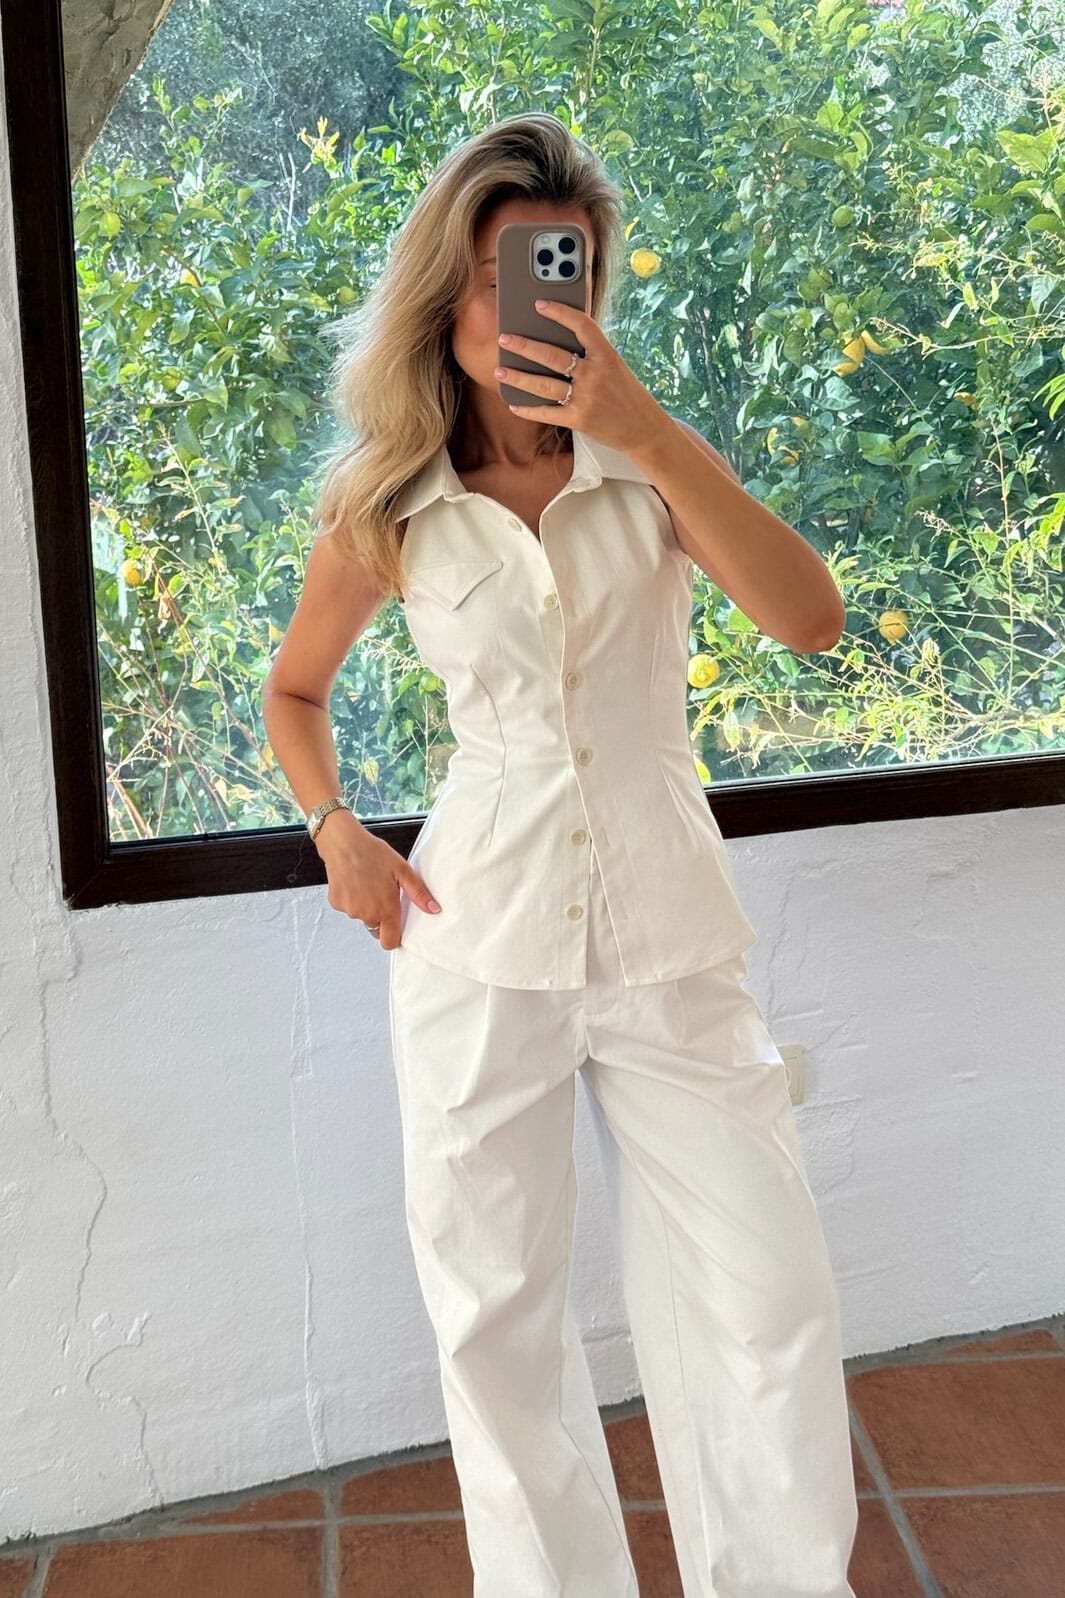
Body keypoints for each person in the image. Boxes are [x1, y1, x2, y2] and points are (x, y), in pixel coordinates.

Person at [264, 113, 859, 1598]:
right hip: (477, 935)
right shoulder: (387, 500)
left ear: (591, 287)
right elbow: (293, 693)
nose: (521, 305)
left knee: (765, 1292)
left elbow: (810, 618)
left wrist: (647, 431)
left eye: (557, 271)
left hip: (669, 931)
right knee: (498, 1321)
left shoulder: (650, 463)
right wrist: (337, 830)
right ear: (440, 294)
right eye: (492, 276)